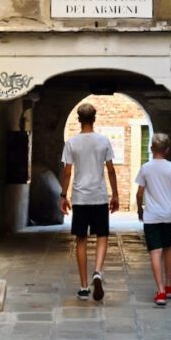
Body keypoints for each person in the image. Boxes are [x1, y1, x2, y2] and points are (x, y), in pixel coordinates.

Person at [60, 102, 119, 300]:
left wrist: (63, 195)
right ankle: (98, 271)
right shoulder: (103, 141)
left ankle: (84, 286)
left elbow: (67, 172)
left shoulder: (72, 143)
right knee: (102, 235)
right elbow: (111, 170)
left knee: (81, 239)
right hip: (99, 195)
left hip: (80, 197)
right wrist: (116, 195)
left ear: (79, 120)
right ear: (94, 119)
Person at [134, 133, 171, 306]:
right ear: (167, 150)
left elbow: (140, 193)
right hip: (168, 214)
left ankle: (160, 291)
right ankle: (169, 284)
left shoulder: (146, 168)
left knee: (155, 251)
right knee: (168, 248)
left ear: (151, 149)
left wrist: (139, 209)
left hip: (152, 216)